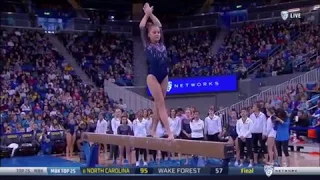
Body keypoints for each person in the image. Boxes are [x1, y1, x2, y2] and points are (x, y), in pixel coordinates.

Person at [139, 3, 173, 140]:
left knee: (157, 105)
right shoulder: (147, 45)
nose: (157, 34)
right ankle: (169, 132)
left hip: (164, 76)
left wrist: (151, 14)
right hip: (152, 77)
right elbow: (141, 27)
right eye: (154, 32)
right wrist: (147, 14)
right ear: (148, 35)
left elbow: (158, 24)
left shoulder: (162, 43)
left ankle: (153, 129)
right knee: (161, 104)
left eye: (158, 32)